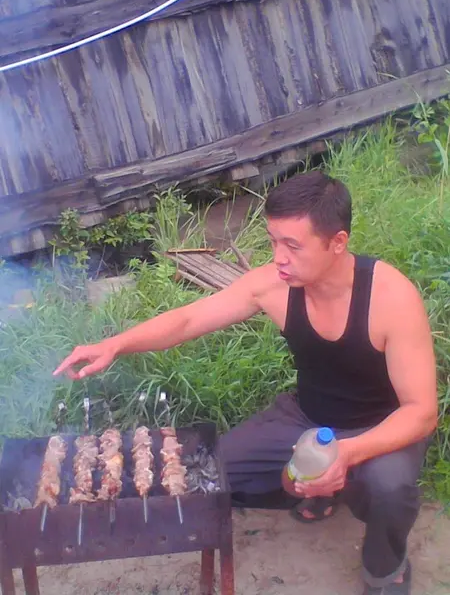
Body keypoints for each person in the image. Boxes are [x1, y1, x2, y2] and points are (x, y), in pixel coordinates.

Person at [54, 171, 437, 594]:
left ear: (337, 242)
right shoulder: (274, 285)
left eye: (292, 245)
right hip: (305, 417)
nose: (279, 257)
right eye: (273, 241)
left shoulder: (391, 298)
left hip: (379, 428)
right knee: (212, 476)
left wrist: (345, 453)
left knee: (389, 489)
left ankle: (385, 568)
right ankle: (317, 488)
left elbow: (420, 413)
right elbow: (188, 319)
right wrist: (115, 344)